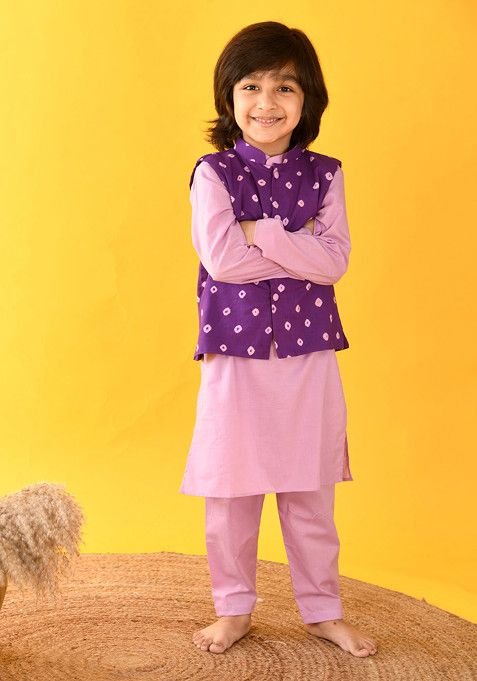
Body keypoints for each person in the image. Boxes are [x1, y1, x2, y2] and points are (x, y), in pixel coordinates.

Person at [180, 21, 378, 658]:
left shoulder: (327, 175)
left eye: (285, 87)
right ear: (229, 96)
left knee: (310, 493)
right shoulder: (213, 174)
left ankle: (322, 610)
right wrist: (298, 246)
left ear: (307, 98)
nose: (267, 102)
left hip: (308, 355)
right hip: (235, 356)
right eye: (252, 86)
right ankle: (233, 608)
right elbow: (222, 261)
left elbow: (334, 262)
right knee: (231, 494)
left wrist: (260, 231)